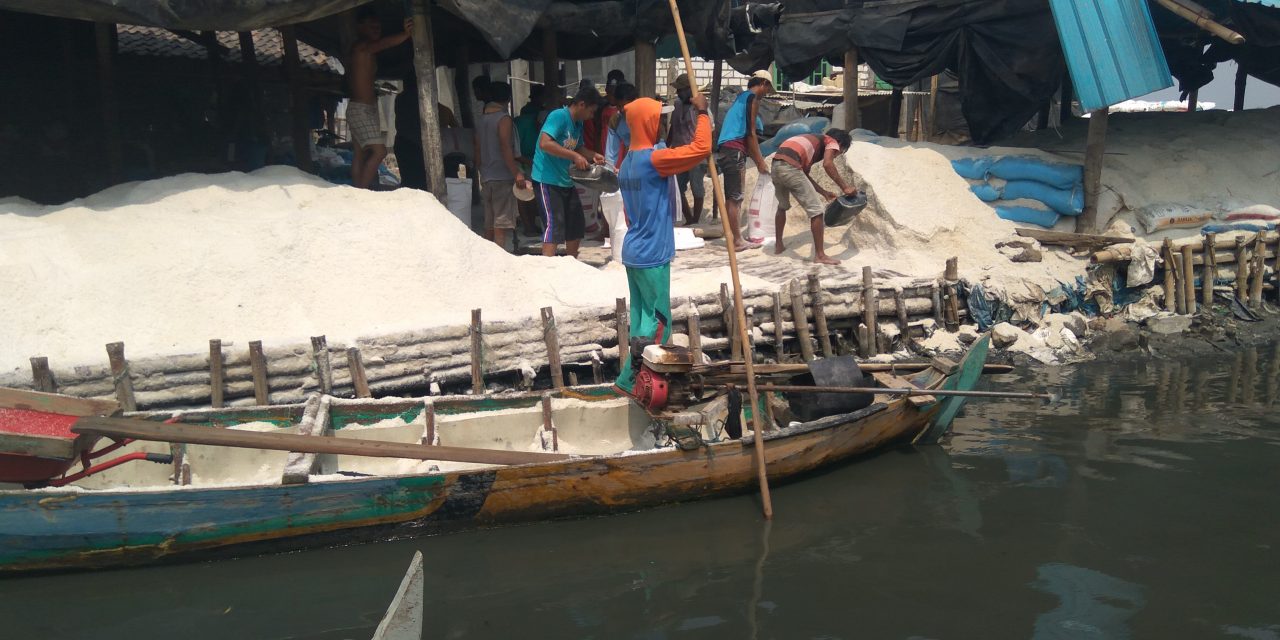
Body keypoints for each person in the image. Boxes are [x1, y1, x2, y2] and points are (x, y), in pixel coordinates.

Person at [614, 92, 711, 395]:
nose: (662, 124)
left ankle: (630, 380)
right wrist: (703, 114)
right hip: (652, 254)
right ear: (649, 122)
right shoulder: (654, 160)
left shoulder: (628, 162)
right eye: (659, 119)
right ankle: (635, 383)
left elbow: (630, 215)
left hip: (633, 250)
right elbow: (702, 148)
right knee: (658, 325)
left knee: (641, 321)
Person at [531, 85, 605, 258]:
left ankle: (571, 263)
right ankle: (547, 265)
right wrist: (574, 156)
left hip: (565, 180)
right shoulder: (559, 116)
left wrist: (593, 155)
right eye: (591, 112)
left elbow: (577, 147)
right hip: (546, 179)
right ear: (581, 105)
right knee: (554, 224)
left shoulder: (577, 123)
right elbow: (545, 143)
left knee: (576, 223)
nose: (591, 116)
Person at [346, 7, 413, 189]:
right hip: (361, 109)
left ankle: (357, 189)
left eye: (378, 27)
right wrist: (405, 35)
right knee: (379, 151)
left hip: (362, 108)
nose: (376, 29)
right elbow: (383, 44)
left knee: (360, 154)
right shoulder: (361, 47)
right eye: (371, 26)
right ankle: (361, 191)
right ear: (360, 27)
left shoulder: (362, 49)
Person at [771, 128, 855, 265]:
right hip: (790, 167)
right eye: (840, 151)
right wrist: (845, 187)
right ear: (839, 143)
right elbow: (827, 164)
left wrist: (824, 192)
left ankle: (778, 245)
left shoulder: (811, 143)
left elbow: (803, 176)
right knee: (817, 211)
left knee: (782, 206)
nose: (836, 155)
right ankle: (820, 256)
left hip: (776, 165)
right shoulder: (831, 140)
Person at [715, 70, 773, 250]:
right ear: (763, 83)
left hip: (727, 150)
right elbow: (751, 133)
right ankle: (737, 240)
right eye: (768, 88)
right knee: (735, 197)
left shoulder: (742, 98)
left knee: (733, 196)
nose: (767, 93)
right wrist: (760, 162)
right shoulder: (752, 99)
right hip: (734, 150)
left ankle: (734, 237)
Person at [474, 81, 529, 251]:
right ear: (508, 98)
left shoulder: (481, 119)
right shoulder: (503, 119)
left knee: (489, 221)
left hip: (486, 175)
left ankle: (489, 255)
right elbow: (506, 147)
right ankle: (500, 256)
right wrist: (517, 173)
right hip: (502, 175)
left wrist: (480, 170)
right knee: (501, 221)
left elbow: (476, 148)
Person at [668, 73, 707, 225]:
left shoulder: (700, 106)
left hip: (695, 153)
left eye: (681, 90)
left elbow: (709, 129)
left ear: (689, 90)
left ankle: (695, 220)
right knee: (678, 187)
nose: (678, 93)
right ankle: (689, 219)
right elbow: (673, 128)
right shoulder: (677, 105)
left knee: (697, 187)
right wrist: (667, 144)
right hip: (679, 151)